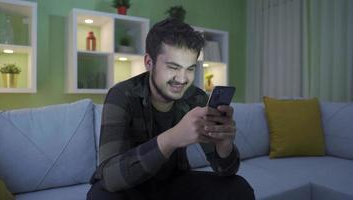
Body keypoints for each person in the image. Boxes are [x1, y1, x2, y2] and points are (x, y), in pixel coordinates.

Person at [87, 18, 255, 200]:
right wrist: (172, 138)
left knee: (239, 188)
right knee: (100, 196)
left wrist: (224, 145)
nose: (182, 79)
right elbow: (110, 178)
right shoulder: (122, 95)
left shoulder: (196, 98)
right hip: (132, 188)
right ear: (149, 62)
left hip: (175, 183)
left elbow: (225, 170)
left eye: (190, 69)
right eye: (173, 67)